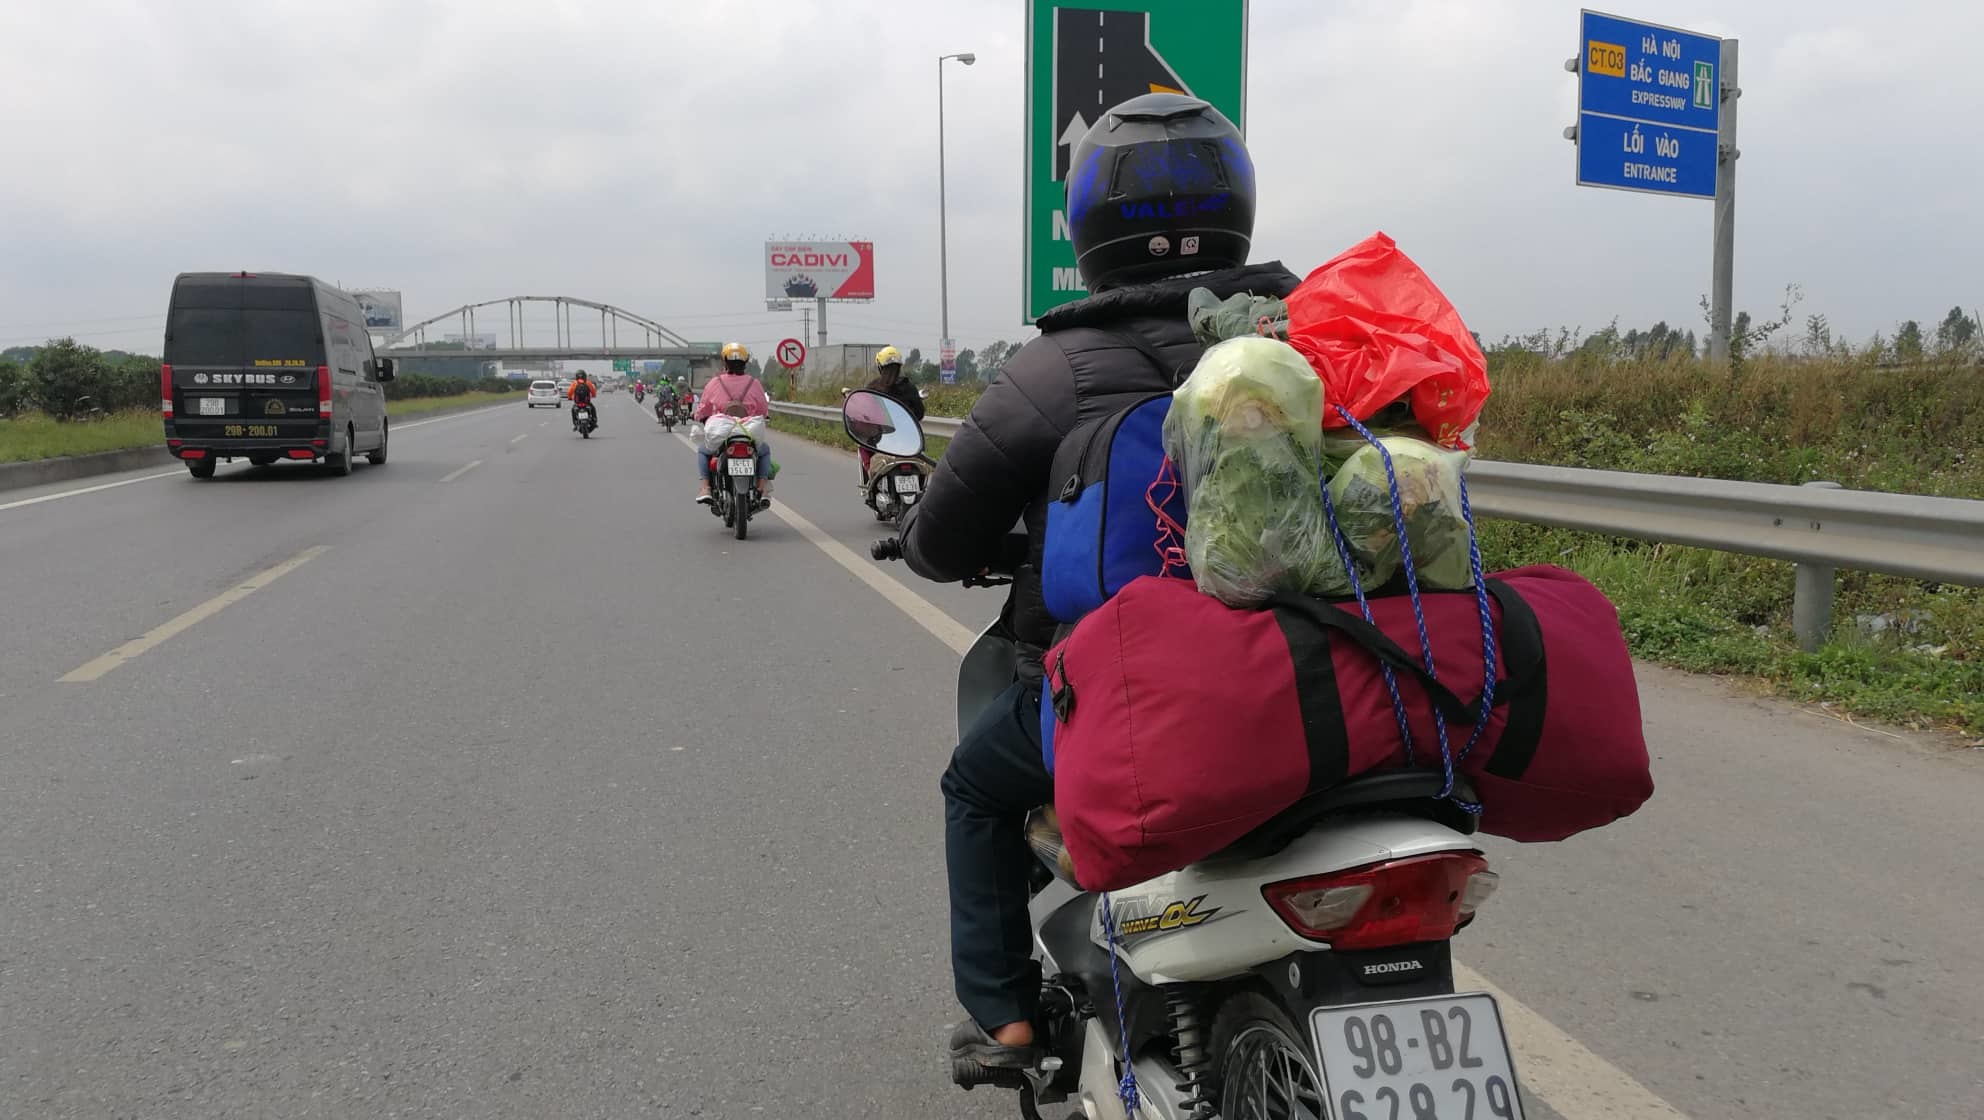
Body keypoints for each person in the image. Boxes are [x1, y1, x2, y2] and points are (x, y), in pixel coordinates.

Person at [897, 92, 1299, 1081]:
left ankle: (1010, 1025)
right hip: (1315, 667)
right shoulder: (1301, 338)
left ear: (1090, 226)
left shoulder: (1051, 370)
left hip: (1122, 688)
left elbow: (940, 546)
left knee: (973, 790)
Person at [693, 343, 773, 505]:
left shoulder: (715, 382)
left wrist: (697, 416)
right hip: (747, 431)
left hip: (722, 432)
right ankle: (763, 488)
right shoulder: (754, 383)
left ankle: (706, 488)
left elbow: (703, 408)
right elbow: (763, 410)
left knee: (703, 451)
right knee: (764, 451)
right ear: (745, 363)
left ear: (725, 362)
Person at [857, 346, 926, 481]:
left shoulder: (872, 388)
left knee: (862, 444)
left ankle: (870, 478)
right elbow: (919, 413)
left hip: (882, 441)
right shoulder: (909, 387)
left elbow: (866, 415)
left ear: (880, 366)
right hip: (909, 441)